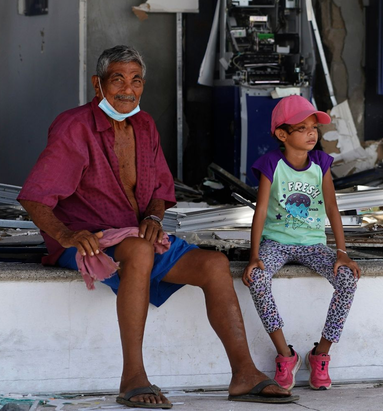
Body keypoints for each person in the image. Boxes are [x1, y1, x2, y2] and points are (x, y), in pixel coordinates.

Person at [18, 45, 297, 408]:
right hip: (86, 240)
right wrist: (68, 236)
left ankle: (243, 374)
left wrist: (152, 217)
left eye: (136, 81)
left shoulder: (145, 125)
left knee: (213, 264)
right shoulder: (75, 126)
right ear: (97, 85)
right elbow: (35, 197)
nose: (127, 89)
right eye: (117, 79)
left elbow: (161, 192)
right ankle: (133, 378)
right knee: (138, 249)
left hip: (136, 236)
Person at [243, 95, 360, 392]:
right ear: (282, 134)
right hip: (276, 243)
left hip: (313, 245)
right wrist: (254, 255)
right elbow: (260, 211)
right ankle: (286, 355)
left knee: (347, 279)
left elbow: (332, 207)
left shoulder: (321, 163)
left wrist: (341, 252)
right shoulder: (272, 163)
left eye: (314, 127)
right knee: (257, 278)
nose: (312, 133)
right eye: (303, 127)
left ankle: (321, 355)